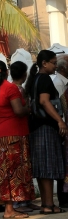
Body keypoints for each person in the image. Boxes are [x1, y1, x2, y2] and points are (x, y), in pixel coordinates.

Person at [0, 60, 35, 219]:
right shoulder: (10, 88)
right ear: (6, 72)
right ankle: (10, 210)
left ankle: (9, 208)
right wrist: (29, 107)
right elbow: (19, 111)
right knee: (15, 170)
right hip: (14, 133)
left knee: (3, 171)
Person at [26, 50, 67, 214]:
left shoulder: (34, 79)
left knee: (43, 167)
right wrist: (59, 120)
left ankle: (46, 203)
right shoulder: (43, 79)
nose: (55, 66)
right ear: (44, 63)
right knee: (48, 166)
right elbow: (44, 101)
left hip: (36, 126)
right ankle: (49, 204)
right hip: (45, 126)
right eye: (53, 63)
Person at [10, 61, 41, 212]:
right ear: (25, 74)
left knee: (25, 165)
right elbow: (19, 110)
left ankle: (27, 199)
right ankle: (19, 202)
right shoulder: (14, 90)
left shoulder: (19, 88)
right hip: (17, 129)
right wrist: (28, 109)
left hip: (23, 130)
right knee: (18, 166)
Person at [52, 54, 68, 208]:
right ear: (63, 68)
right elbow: (60, 109)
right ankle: (64, 198)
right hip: (63, 129)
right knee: (64, 164)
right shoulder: (58, 83)